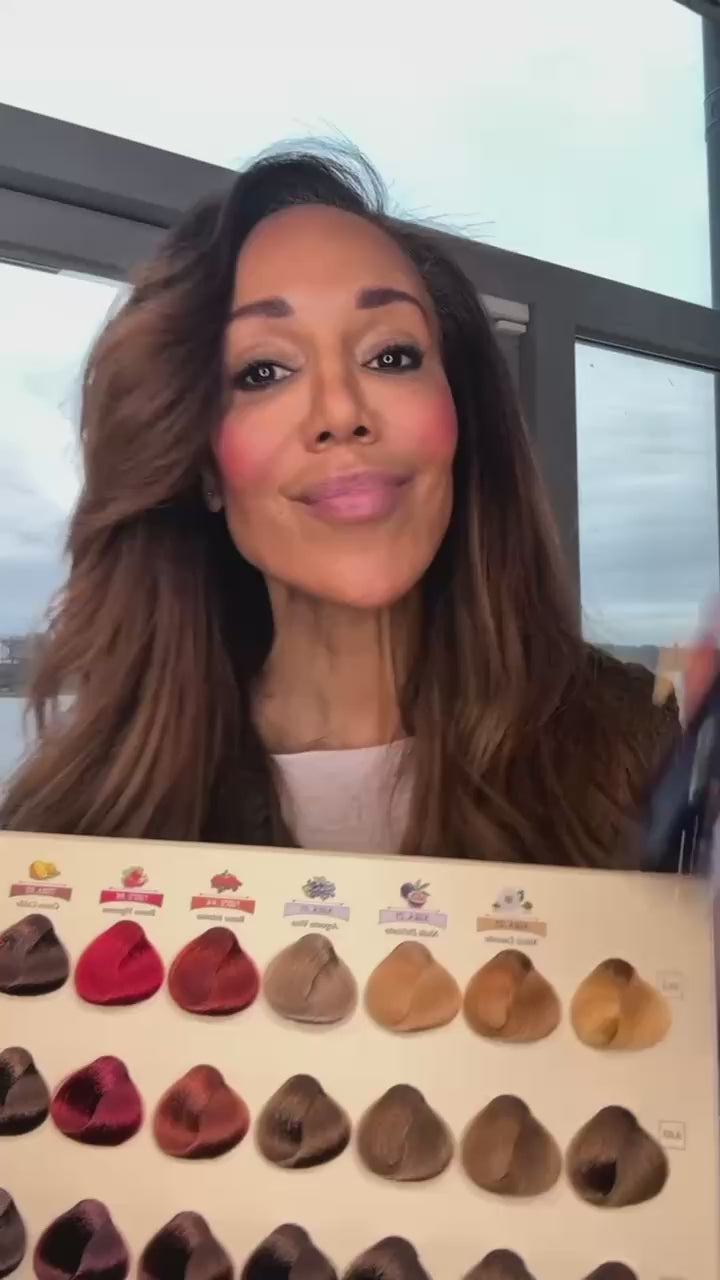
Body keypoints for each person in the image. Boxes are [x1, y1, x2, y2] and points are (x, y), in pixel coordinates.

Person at [0, 148, 679, 865]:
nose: (342, 412)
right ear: (203, 466)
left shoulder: (647, 759)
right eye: (264, 371)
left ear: (459, 413)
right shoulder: (68, 835)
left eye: (391, 356)